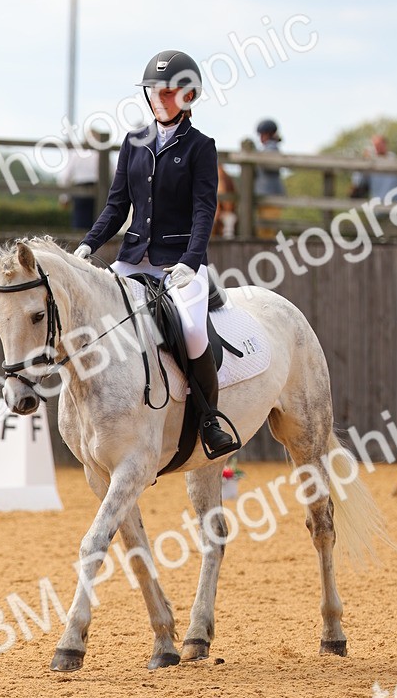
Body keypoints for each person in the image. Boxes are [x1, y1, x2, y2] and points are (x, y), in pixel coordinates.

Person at [73, 49, 238, 459]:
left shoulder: (201, 146)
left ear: (188, 96)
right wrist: (87, 246)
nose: (159, 99)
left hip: (180, 262)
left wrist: (191, 261)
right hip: (133, 257)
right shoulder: (134, 143)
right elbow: (116, 207)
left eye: (168, 92)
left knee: (194, 332)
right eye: (153, 91)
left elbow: (205, 209)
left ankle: (209, 419)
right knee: (93, 316)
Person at [254, 118, 286, 197]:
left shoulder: (271, 149)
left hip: (267, 191)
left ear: (268, 134)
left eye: (262, 134)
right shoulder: (270, 148)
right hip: (270, 191)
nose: (260, 137)